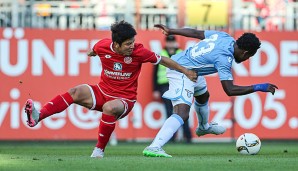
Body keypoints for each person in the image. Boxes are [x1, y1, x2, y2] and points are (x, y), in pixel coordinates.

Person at [24, 20, 197, 158]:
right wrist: (91, 53)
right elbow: (94, 50)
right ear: (116, 43)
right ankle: (39, 116)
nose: (132, 46)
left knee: (109, 108)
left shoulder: (139, 52)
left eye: (133, 42)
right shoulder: (103, 46)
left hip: (124, 99)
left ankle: (99, 151)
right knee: (75, 92)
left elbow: (164, 60)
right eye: (128, 43)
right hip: (102, 91)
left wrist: (186, 71)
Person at [143, 24, 278, 157]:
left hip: (193, 71)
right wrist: (259, 87)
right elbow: (230, 90)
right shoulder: (224, 58)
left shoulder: (224, 37)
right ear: (245, 52)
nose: (246, 60)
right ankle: (154, 146)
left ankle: (203, 127)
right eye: (248, 57)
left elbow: (196, 33)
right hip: (180, 71)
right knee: (182, 113)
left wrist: (171, 30)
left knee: (203, 95)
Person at [153, 35, 192, 143]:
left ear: (175, 42)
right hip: (164, 85)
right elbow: (154, 73)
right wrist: (155, 89)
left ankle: (187, 136)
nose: (170, 44)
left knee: (182, 110)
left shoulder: (181, 52)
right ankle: (171, 137)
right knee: (169, 111)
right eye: (169, 42)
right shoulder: (161, 54)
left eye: (172, 42)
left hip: (178, 85)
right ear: (166, 43)